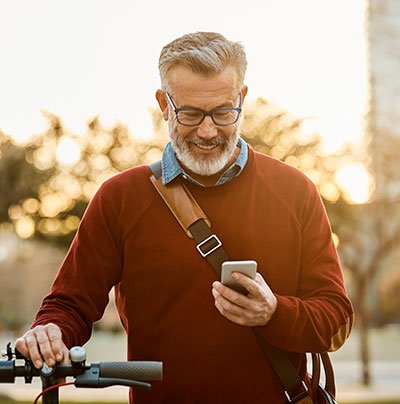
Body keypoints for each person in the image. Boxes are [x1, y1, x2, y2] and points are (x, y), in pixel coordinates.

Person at [16, 32, 353, 403]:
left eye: (224, 112)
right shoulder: (119, 198)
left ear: (242, 99)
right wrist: (48, 332)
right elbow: (69, 305)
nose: (207, 131)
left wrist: (274, 313)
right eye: (190, 113)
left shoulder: (296, 191)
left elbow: (335, 320)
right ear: (163, 103)